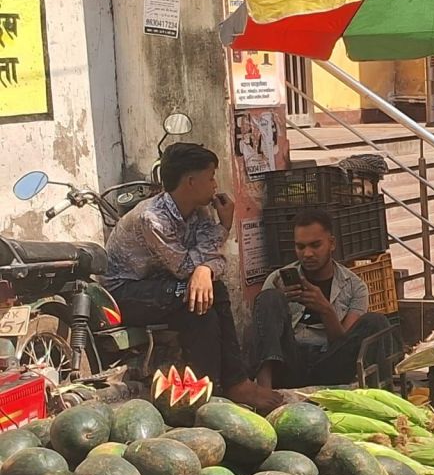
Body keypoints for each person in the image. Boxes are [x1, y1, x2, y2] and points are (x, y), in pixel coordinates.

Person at [104, 142, 280, 412]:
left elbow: (212, 261)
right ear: (190, 181)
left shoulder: (199, 211)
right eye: (210, 178)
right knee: (203, 293)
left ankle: (212, 390)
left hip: (167, 286)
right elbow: (187, 267)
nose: (214, 184)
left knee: (203, 304)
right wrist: (223, 230)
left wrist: (205, 268)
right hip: (128, 292)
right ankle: (228, 385)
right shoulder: (153, 219)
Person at [252, 209, 394, 389]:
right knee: (269, 298)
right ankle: (263, 390)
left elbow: (344, 342)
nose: (308, 254)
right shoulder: (277, 280)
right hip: (290, 362)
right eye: (300, 247)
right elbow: (264, 337)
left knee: (376, 321)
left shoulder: (354, 286)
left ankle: (381, 394)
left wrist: (325, 309)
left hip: (329, 362)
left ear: (331, 243)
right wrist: (280, 302)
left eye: (315, 245)